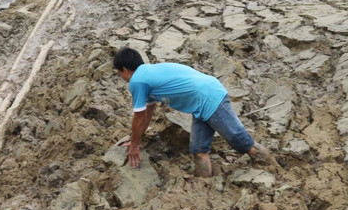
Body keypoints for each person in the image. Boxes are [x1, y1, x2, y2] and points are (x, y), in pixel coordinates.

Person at [112, 47, 274, 177]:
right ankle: (205, 185)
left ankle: (274, 170)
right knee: (199, 151)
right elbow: (147, 114)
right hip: (200, 104)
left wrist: (134, 145)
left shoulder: (137, 80)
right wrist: (136, 141)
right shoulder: (149, 74)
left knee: (241, 142)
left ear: (125, 69)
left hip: (210, 98)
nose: (122, 78)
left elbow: (139, 117)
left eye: (120, 74)